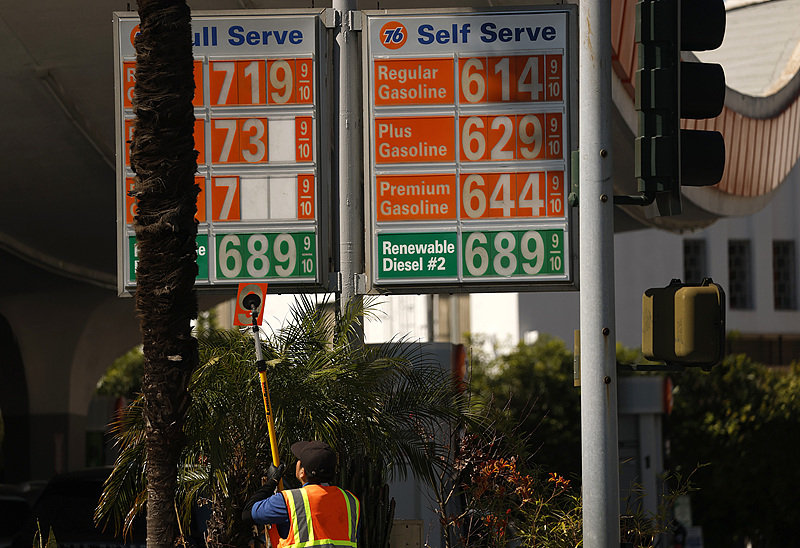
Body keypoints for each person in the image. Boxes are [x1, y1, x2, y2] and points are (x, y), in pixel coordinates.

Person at [242, 440, 361, 548]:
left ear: (302, 472)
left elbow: (248, 513)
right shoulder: (351, 501)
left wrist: (272, 481)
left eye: (298, 461)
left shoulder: (290, 501)